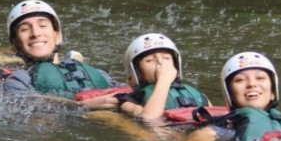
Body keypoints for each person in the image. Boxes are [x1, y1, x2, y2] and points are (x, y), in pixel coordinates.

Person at [80, 33, 210, 121]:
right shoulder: (131, 101)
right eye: (149, 60)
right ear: (135, 74)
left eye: (166, 58)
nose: (160, 62)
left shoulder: (198, 95)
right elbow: (150, 118)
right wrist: (164, 80)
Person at [2, 0, 117, 99]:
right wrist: (85, 103)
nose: (36, 33)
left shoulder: (100, 74)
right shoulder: (17, 82)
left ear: (57, 36)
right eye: (25, 29)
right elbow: (31, 103)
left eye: (43, 26)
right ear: (14, 45)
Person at [183, 51, 281, 141]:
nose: (252, 84)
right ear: (229, 94)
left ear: (273, 92)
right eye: (240, 80)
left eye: (260, 78)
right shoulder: (217, 131)